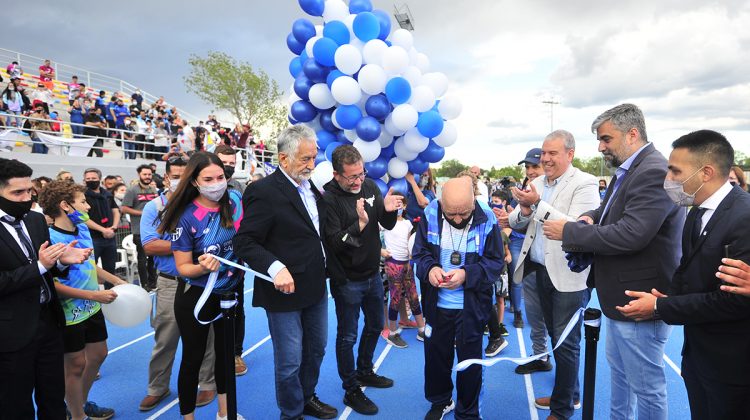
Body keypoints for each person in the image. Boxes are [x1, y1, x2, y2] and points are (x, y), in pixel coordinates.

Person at [547, 104, 684, 420]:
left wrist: (569, 231)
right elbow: (610, 213)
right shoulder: (632, 169)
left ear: (632, 134)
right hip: (623, 298)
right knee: (621, 378)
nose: (600, 147)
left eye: (606, 139)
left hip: (640, 298)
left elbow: (632, 234)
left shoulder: (653, 171)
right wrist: (587, 217)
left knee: (647, 389)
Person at [616, 131, 750, 420]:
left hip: (733, 365)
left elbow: (734, 301)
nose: (669, 178)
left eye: (676, 171)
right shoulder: (695, 212)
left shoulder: (744, 217)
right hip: (699, 357)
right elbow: (686, 269)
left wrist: (660, 307)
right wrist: (669, 297)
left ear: (706, 172)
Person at [233, 125, 340, 420]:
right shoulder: (263, 191)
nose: (312, 164)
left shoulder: (310, 187)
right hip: (283, 290)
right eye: (305, 159)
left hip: (316, 285)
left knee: (316, 350)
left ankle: (307, 398)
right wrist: (276, 267)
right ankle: (291, 413)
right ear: (283, 158)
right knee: (290, 361)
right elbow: (244, 241)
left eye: (313, 158)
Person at [509, 130, 599, 419]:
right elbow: (516, 221)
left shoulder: (584, 183)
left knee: (566, 343)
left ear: (569, 155)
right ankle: (568, 394)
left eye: (552, 153)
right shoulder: (536, 182)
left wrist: (537, 205)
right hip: (539, 271)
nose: (545, 159)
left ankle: (562, 411)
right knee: (556, 338)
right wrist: (524, 209)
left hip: (568, 277)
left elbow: (577, 228)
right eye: (544, 153)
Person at [157, 151, 244, 420]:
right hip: (195, 296)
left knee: (224, 357)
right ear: (194, 181)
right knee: (193, 358)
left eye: (220, 177)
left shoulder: (235, 201)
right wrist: (203, 266)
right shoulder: (185, 216)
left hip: (229, 293)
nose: (216, 183)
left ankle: (224, 413)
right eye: (208, 178)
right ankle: (188, 417)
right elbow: (183, 268)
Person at [0, 158, 90, 418]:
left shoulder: (37, 220)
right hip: (11, 333)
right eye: (17, 192)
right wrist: (41, 265)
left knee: (53, 399)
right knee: (16, 405)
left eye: (29, 191)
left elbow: (47, 265)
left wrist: (62, 262)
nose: (26, 197)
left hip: (49, 322)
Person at [412, 177, 504, 420]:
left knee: (471, 365)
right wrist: (430, 268)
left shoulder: (488, 217)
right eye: (451, 213)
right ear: (441, 203)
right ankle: (441, 401)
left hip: (471, 308)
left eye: (463, 213)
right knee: (436, 360)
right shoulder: (431, 212)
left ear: (473, 201)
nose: (457, 219)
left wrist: (466, 274)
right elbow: (419, 254)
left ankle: (468, 411)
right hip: (436, 305)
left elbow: (495, 263)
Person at [323, 145, 404, 415]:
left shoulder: (370, 186)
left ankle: (365, 370)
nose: (358, 181)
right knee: (347, 335)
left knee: (374, 325)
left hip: (371, 273)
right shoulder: (328, 199)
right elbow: (334, 242)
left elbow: (388, 224)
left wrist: (390, 210)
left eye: (361, 173)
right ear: (337, 175)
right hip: (346, 280)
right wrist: (358, 224)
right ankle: (350, 389)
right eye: (352, 177)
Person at [41, 180, 128, 420]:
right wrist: (93, 294)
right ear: (65, 205)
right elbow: (52, 284)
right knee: (76, 364)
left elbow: (90, 266)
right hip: (69, 312)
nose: (88, 206)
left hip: (92, 306)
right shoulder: (49, 236)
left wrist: (117, 281)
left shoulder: (81, 227)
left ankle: (77, 403)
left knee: (99, 354)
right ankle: (78, 415)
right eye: (82, 201)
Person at [139, 156, 218, 411]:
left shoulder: (205, 205)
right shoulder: (155, 207)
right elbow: (150, 245)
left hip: (203, 280)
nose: (181, 181)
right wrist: (189, 246)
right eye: (176, 176)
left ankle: (207, 383)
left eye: (186, 176)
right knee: (166, 337)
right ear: (166, 178)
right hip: (171, 281)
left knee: (207, 337)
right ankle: (157, 388)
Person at [500, 148, 552, 374]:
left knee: (559, 324)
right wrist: (510, 218)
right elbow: (518, 222)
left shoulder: (554, 191)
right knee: (534, 312)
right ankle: (540, 355)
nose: (530, 171)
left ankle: (569, 390)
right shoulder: (523, 191)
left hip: (555, 265)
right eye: (528, 167)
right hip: (529, 256)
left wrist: (534, 205)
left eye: (535, 166)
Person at [213, 144, 248, 375]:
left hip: (234, 262)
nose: (228, 168)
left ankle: (236, 353)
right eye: (223, 163)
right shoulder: (198, 188)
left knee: (237, 307)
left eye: (232, 164)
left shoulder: (239, 189)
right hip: (205, 262)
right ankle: (212, 358)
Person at [381, 191, 425, 348]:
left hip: (406, 264)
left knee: (413, 295)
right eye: (396, 203)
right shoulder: (385, 223)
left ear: (405, 206)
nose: (398, 206)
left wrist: (412, 257)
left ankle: (422, 329)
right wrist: (381, 251)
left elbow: (409, 244)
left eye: (401, 203)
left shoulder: (407, 223)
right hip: (393, 263)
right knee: (395, 297)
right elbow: (371, 236)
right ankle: (392, 333)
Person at [121, 165, 158, 291]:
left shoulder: (154, 190)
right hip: (139, 230)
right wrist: (144, 213)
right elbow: (124, 208)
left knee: (154, 258)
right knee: (143, 258)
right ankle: (145, 284)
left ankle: (154, 283)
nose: (147, 177)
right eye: (145, 174)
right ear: (139, 175)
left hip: (155, 230)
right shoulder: (132, 190)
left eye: (149, 174)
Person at [82, 168, 120, 289]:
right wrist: (103, 230)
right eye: (88, 179)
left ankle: (111, 293)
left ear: (99, 179)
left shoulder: (107, 195)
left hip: (110, 238)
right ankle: (95, 294)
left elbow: (116, 211)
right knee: (91, 268)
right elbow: (84, 218)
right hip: (92, 239)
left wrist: (114, 227)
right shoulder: (83, 195)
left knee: (110, 268)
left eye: (93, 178)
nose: (90, 181)